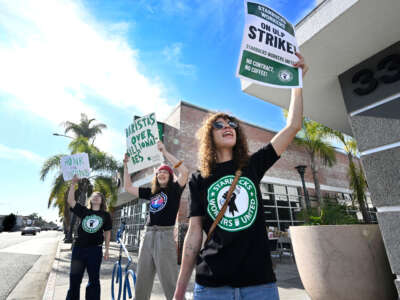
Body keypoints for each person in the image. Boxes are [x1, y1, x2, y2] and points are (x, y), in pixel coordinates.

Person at [174, 53, 308, 300]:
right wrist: (181, 288)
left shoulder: (253, 165)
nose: (227, 127)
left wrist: (296, 86)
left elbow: (293, 126)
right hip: (212, 286)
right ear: (209, 137)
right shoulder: (199, 179)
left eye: (231, 124)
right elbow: (194, 234)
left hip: (260, 284)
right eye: (219, 125)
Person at [123, 140, 189, 300]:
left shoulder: (174, 189)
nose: (161, 173)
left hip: (164, 236)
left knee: (170, 280)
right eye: (159, 172)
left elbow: (185, 171)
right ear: (156, 176)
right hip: (148, 235)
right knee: (142, 278)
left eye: (165, 172)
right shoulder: (151, 192)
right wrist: (125, 166)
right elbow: (128, 187)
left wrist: (165, 152)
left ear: (170, 175)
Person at [66, 175, 112, 300]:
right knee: (74, 279)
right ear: (90, 199)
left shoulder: (105, 215)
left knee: (94, 280)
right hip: (79, 249)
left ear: (102, 201)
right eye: (94, 196)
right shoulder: (84, 211)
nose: (96, 197)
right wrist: (73, 184)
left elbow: (107, 232)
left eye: (99, 196)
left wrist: (107, 249)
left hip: (95, 250)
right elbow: (71, 201)